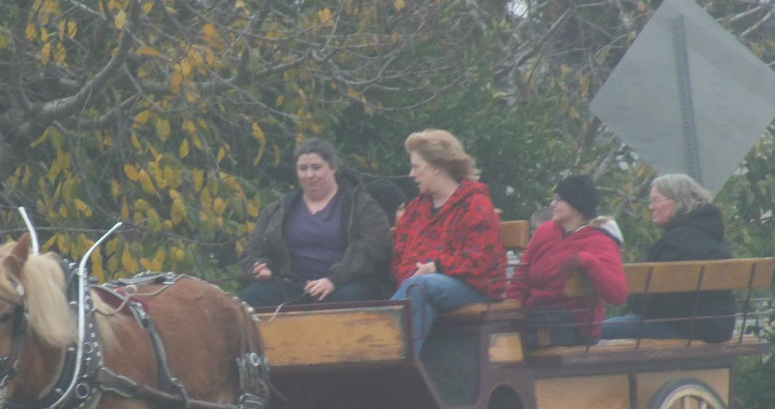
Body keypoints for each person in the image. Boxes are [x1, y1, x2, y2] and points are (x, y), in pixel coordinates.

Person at [239, 137, 393, 307]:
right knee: (255, 296)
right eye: (303, 169)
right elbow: (252, 251)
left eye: (316, 168)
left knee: (348, 298)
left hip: (344, 285)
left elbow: (376, 246)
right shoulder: (278, 210)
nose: (309, 175)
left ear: (333, 167)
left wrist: (334, 279)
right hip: (294, 287)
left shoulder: (361, 205)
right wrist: (261, 267)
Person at [390, 129, 506, 353]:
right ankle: (405, 373)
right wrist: (409, 274)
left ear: (437, 167)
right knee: (422, 301)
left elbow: (479, 259)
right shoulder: (415, 209)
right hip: (422, 288)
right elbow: (399, 255)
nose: (411, 174)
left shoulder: (475, 204)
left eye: (416, 166)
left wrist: (436, 267)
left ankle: (383, 358)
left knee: (419, 287)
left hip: (473, 286)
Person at [601, 174, 735, 342]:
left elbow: (650, 303)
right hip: (717, 328)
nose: (651, 207)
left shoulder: (676, 242)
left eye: (656, 201)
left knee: (594, 332)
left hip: (682, 329)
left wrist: (634, 299)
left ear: (678, 201)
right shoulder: (713, 237)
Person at [507, 174, 627, 345]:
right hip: (536, 317)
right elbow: (521, 277)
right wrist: (510, 313)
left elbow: (618, 295)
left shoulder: (600, 241)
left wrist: (588, 261)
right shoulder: (545, 231)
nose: (552, 204)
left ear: (577, 206)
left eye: (559, 199)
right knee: (497, 334)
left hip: (573, 326)